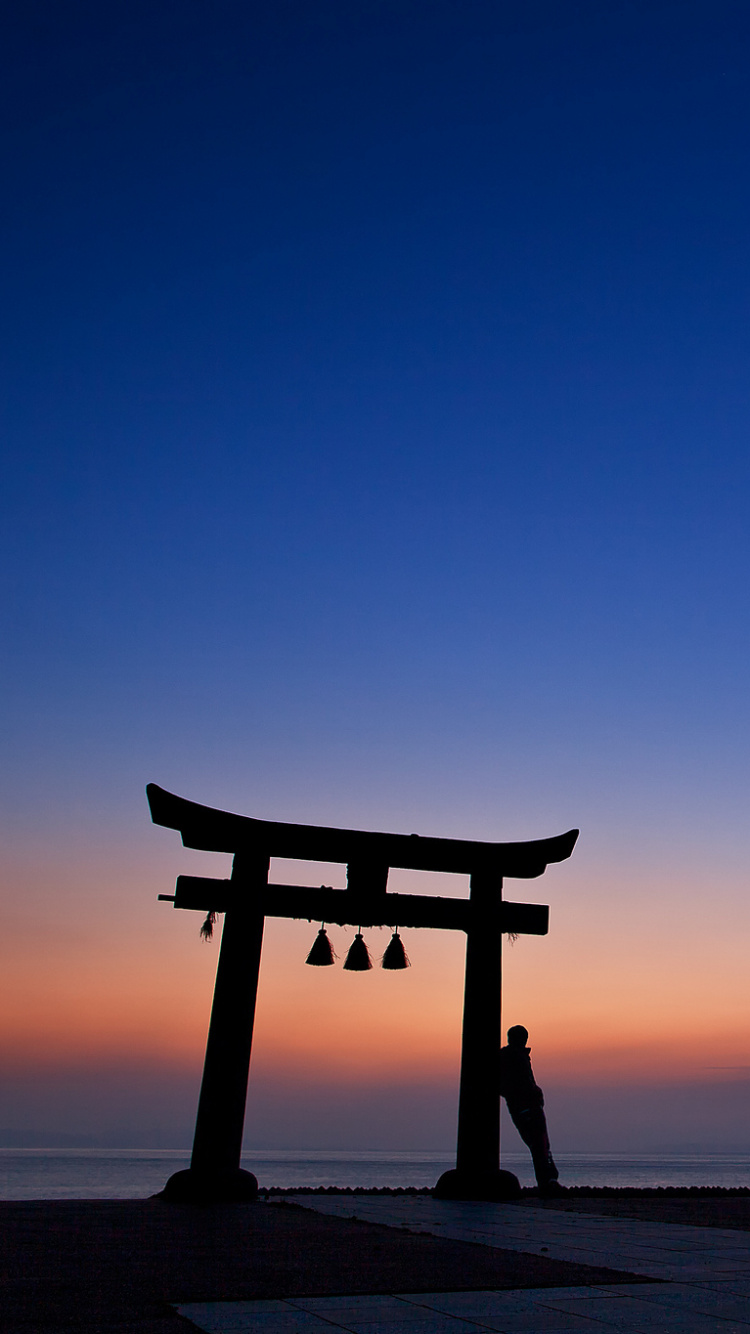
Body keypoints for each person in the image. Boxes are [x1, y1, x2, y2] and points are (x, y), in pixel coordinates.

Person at [498, 1024, 561, 1194]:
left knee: (541, 1144)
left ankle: (549, 1180)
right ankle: (548, 1182)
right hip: (525, 1107)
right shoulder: (511, 1056)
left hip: (528, 1105)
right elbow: (507, 1084)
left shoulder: (517, 1056)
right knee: (539, 1144)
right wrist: (530, 1093)